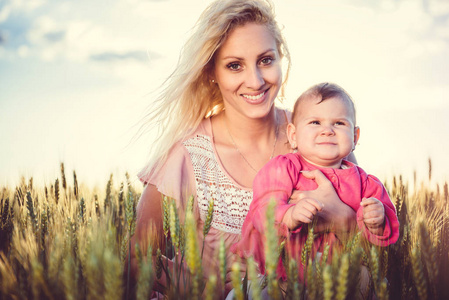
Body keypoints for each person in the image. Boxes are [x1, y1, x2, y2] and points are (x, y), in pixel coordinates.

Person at [129, 1, 358, 298]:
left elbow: (372, 249)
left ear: (280, 58)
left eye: (265, 60)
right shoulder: (187, 156)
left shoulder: (320, 135)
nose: (256, 81)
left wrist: (343, 220)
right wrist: (198, 287)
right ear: (213, 71)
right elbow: (136, 262)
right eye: (234, 65)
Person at [233, 82, 400, 283]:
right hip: (285, 273)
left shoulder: (366, 183)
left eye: (339, 123)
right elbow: (263, 209)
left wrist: (376, 221)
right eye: (315, 122)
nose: (327, 130)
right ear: (293, 136)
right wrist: (288, 214)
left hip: (339, 276)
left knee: (365, 278)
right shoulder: (283, 168)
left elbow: (386, 232)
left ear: (355, 137)